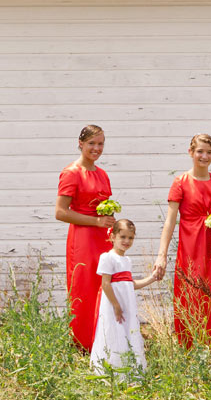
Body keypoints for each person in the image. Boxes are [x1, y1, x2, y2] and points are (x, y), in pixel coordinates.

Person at [155, 134, 211, 347]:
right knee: (192, 293)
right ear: (190, 152)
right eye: (200, 151)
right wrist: (161, 255)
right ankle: (191, 347)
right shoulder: (181, 182)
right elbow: (170, 222)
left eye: (209, 152)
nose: (204, 156)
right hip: (191, 248)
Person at [55, 125, 114, 350]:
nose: (96, 148)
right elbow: (60, 212)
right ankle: (82, 344)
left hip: (104, 238)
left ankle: (104, 343)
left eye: (100, 144)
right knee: (85, 288)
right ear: (80, 143)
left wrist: (113, 226)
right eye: (91, 143)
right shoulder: (71, 172)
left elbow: (106, 208)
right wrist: (96, 222)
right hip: (82, 239)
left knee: (105, 285)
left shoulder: (102, 174)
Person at [90, 220, 159, 375]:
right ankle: (112, 369)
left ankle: (129, 368)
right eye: (123, 237)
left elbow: (130, 284)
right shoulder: (108, 257)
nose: (127, 241)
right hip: (113, 304)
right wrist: (116, 305)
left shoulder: (127, 260)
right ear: (113, 236)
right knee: (114, 330)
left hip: (127, 304)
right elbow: (106, 284)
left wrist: (152, 278)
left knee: (127, 331)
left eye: (130, 238)